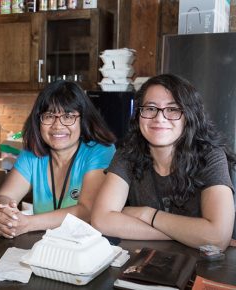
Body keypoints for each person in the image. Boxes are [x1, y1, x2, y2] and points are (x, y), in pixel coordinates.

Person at [91, 74, 236, 250]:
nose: (159, 118)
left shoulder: (210, 156)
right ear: (138, 115)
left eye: (173, 109)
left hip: (200, 267)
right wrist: (190, 235)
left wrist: (147, 214)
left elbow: (217, 237)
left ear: (189, 116)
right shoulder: (127, 155)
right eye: (150, 108)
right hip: (143, 265)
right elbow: (101, 220)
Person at [0, 80, 116, 238]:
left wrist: (28, 223)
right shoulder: (32, 153)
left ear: (82, 119)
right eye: (49, 116)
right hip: (45, 249)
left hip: (87, 250)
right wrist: (6, 216)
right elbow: (4, 196)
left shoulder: (100, 150)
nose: (58, 125)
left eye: (68, 116)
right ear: (38, 120)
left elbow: (87, 211)